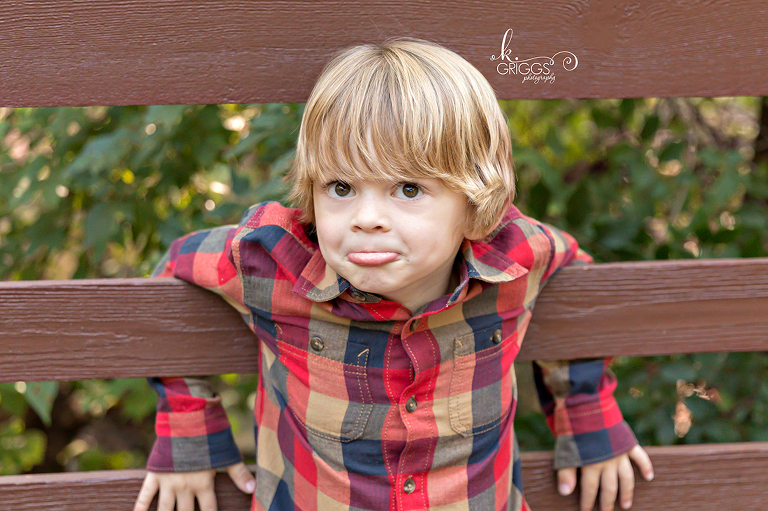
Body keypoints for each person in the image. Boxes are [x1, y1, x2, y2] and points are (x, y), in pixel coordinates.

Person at [133, 39, 654, 511]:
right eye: (340, 186)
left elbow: (577, 278)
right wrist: (189, 430)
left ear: (474, 206)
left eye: (407, 189)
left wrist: (586, 413)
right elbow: (172, 271)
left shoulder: (513, 259)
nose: (366, 217)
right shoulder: (271, 262)